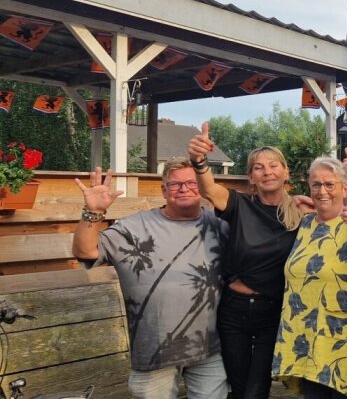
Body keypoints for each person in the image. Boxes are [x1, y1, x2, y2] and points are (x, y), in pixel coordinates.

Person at [71, 162, 229, 399]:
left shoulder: (221, 226)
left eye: (191, 183)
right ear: (164, 191)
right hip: (153, 352)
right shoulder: (135, 227)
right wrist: (92, 212)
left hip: (209, 349)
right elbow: (85, 251)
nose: (183, 189)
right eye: (175, 184)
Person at [189, 127, 304, 398]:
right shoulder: (239, 205)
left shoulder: (300, 214)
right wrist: (199, 161)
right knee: (239, 386)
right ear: (251, 177)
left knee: (257, 388)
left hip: (272, 312)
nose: (267, 171)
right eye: (259, 167)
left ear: (286, 172)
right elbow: (208, 188)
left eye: (274, 165)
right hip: (233, 311)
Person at [271, 158, 347, 399]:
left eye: (330, 184)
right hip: (306, 338)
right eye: (316, 185)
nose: (322, 191)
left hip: (342, 341)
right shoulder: (305, 223)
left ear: (344, 188)